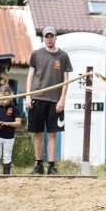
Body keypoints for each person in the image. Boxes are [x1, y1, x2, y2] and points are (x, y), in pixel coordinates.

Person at [26, 26, 72, 175]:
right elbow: (30, 76)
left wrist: (62, 99)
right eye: (47, 36)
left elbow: (66, 79)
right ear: (43, 38)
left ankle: (51, 166)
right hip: (37, 98)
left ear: (56, 37)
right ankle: (38, 165)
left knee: (53, 133)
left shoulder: (63, 56)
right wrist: (28, 96)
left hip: (55, 101)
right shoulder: (36, 54)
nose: (49, 38)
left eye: (52, 36)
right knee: (38, 133)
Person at [0, 84, 22, 175]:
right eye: (0, 99)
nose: (2, 101)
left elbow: (18, 123)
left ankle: (6, 175)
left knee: (7, 155)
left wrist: (7, 123)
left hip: (8, 137)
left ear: (9, 96)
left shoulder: (14, 109)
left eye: (4, 98)